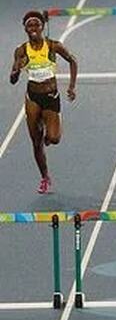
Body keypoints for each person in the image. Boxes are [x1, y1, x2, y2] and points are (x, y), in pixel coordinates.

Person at [9, 11, 78, 193]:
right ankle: (45, 177)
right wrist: (16, 70)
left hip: (51, 97)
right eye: (29, 25)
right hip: (33, 98)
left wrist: (71, 86)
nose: (33, 28)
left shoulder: (53, 46)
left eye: (36, 25)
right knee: (36, 142)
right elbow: (13, 79)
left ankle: (48, 132)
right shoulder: (21, 50)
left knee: (54, 139)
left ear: (42, 27)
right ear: (25, 28)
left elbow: (73, 61)